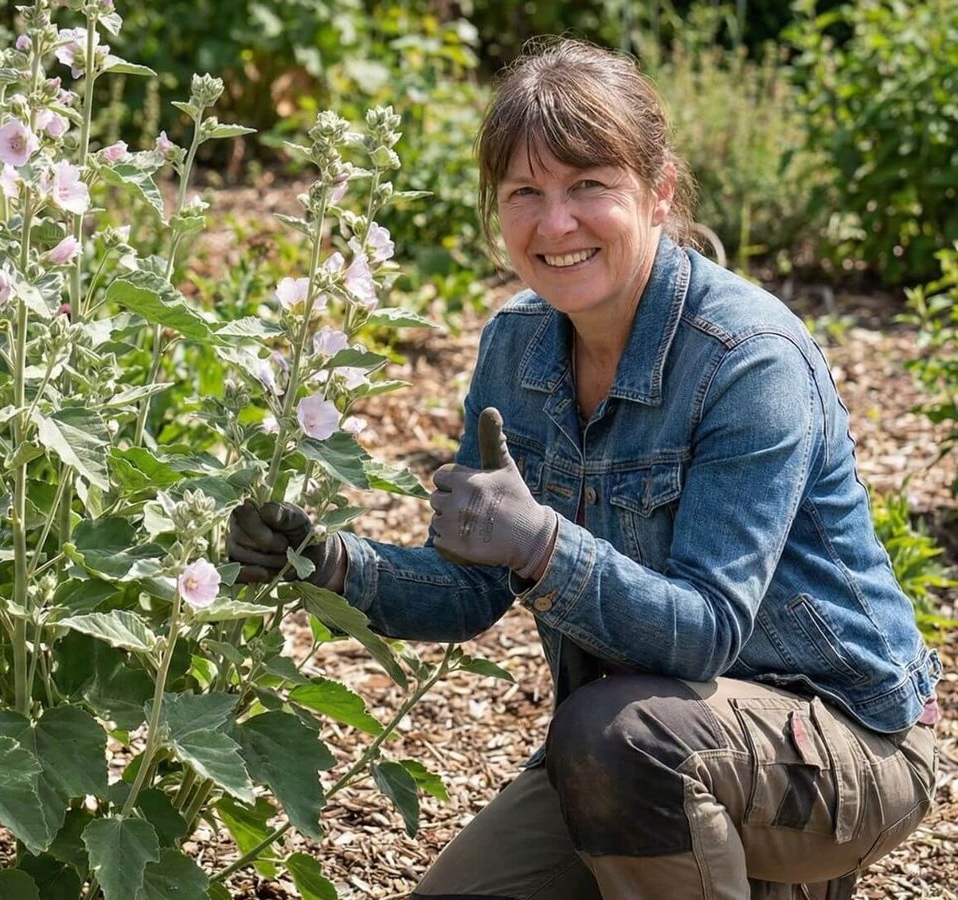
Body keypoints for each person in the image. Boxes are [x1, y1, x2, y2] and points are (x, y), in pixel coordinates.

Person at [227, 38, 940, 900]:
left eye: (588, 186)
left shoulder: (747, 360)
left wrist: (541, 544)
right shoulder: (517, 347)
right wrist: (329, 562)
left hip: (839, 743)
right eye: (524, 193)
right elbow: (472, 589)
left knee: (617, 740)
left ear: (659, 190)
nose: (555, 224)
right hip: (649, 741)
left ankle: (770, 870)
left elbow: (709, 630)